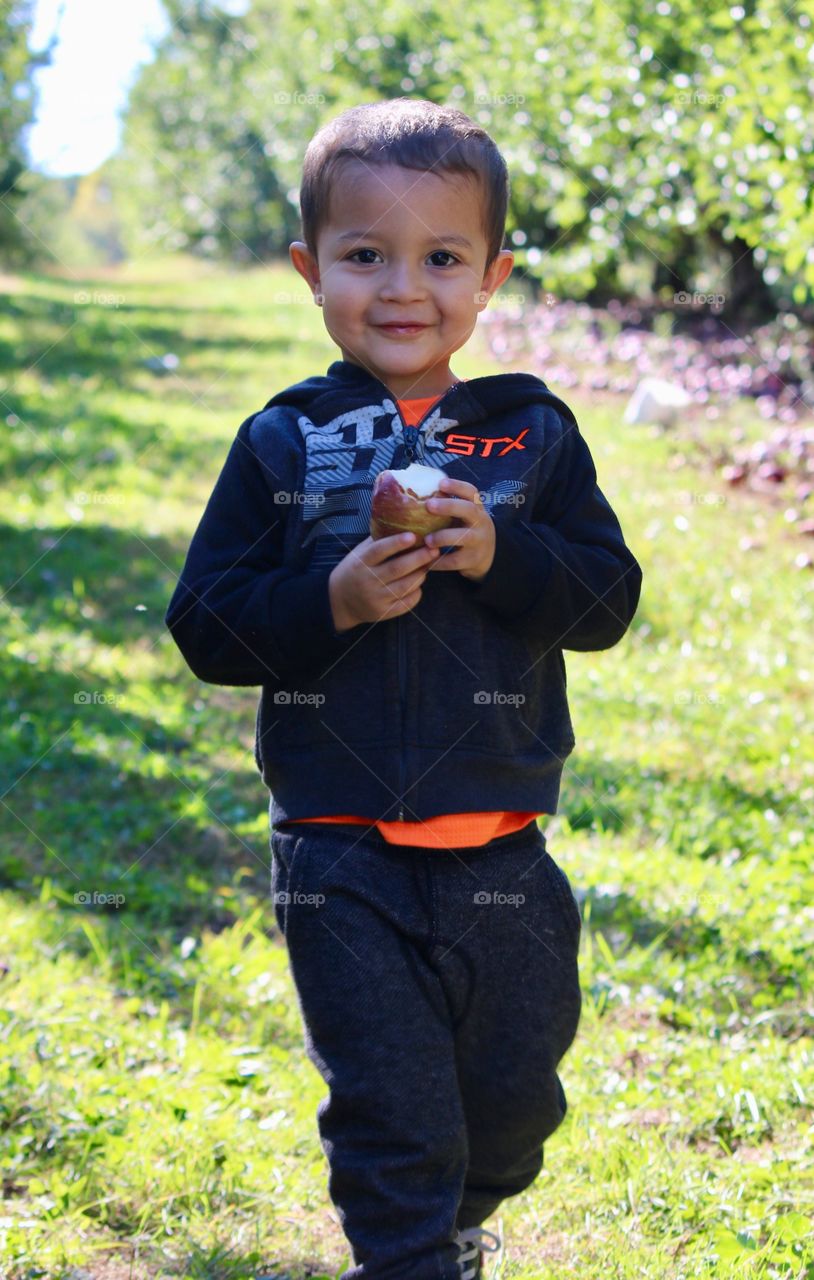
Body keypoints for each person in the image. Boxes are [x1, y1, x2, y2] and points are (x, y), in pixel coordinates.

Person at [165, 97, 643, 1280]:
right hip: (338, 846)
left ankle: (465, 1210)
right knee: (390, 1099)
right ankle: (409, 1252)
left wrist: (505, 556)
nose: (402, 287)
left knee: (514, 1091)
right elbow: (206, 624)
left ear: (491, 277)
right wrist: (329, 600)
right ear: (308, 269)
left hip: (502, 842)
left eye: (441, 257)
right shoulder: (283, 441)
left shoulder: (530, 434)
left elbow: (607, 603)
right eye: (364, 254)